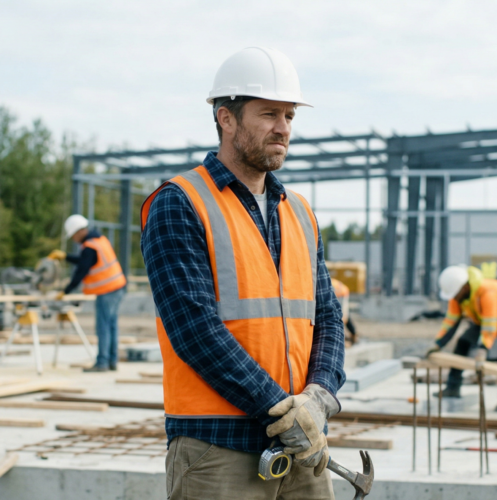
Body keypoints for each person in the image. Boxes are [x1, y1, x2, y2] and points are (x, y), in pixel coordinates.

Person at [140, 47, 345, 499]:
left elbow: (328, 316)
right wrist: (280, 409)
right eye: (269, 113)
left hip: (302, 445)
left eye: (290, 115)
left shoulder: (300, 213)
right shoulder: (179, 203)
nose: (283, 128)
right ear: (225, 118)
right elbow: (194, 329)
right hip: (218, 448)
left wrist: (319, 399)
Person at [426, 264, 497, 412]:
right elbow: (451, 322)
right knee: (462, 343)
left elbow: (490, 325)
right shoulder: (457, 297)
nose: (454, 297)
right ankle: (453, 388)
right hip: (484, 318)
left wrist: (483, 348)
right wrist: (437, 344)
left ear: (465, 287)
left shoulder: (488, 293)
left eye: (455, 294)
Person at [50, 214, 127, 372]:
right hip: (117, 287)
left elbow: (82, 270)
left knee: (103, 327)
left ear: (79, 231)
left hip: (107, 291)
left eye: (73, 235)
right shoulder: (99, 240)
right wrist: (66, 257)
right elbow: (84, 260)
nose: (73, 239)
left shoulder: (90, 246)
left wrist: (66, 290)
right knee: (111, 325)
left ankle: (102, 363)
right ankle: (112, 361)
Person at [331, 278, 357, 343]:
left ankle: (351, 335)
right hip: (341, 293)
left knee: (342, 316)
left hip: (341, 294)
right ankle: (353, 334)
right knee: (344, 315)